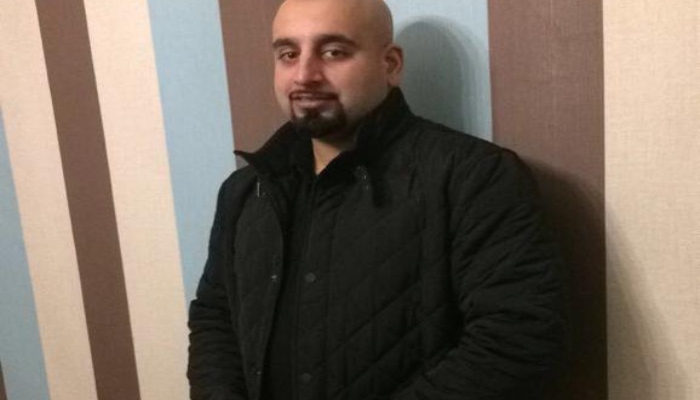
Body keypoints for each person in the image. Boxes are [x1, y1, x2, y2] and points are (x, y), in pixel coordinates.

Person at [187, 0, 567, 399]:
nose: (304, 75)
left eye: (333, 52)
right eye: (288, 54)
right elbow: (216, 315)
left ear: (391, 64)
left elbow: (517, 339)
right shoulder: (247, 190)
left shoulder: (475, 177)